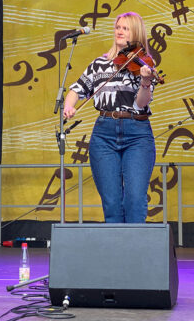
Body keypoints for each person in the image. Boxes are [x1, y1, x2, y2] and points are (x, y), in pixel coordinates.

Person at [63, 12, 157, 223]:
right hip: (104, 134)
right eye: (118, 27)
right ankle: (117, 254)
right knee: (112, 202)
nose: (120, 31)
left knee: (134, 199)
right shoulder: (99, 64)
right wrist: (69, 106)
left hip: (137, 133)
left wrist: (145, 81)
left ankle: (135, 252)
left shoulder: (143, 65)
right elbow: (77, 89)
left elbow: (142, 103)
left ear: (136, 33)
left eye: (126, 28)